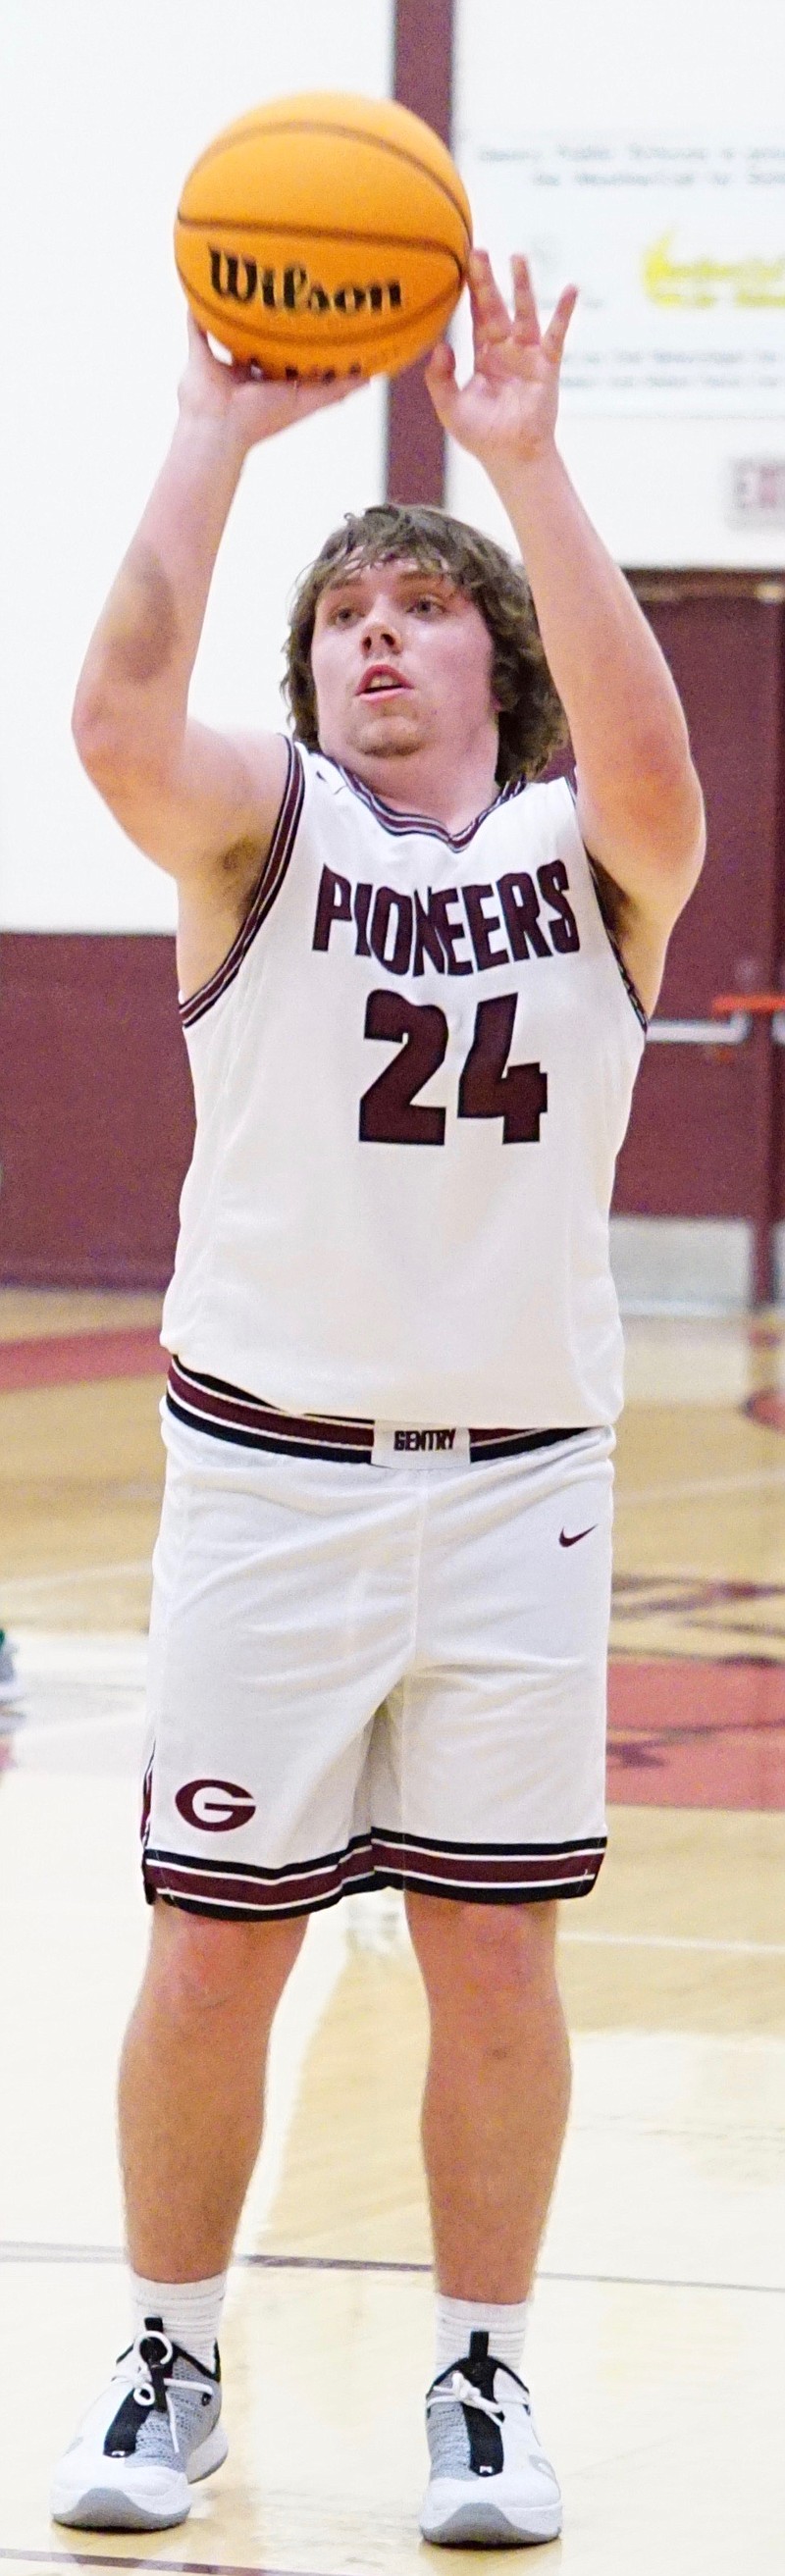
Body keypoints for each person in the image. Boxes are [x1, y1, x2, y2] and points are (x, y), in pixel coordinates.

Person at [51, 249, 705, 2547]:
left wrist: (519, 462)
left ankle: (486, 2375)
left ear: (491, 665)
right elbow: (118, 730)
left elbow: (658, 772)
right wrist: (219, 438)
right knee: (212, 1951)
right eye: (351, 616)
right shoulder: (261, 833)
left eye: (424, 609)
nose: (380, 633)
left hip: (518, 1490)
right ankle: (172, 2348)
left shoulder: (586, 858)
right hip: (269, 1481)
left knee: (493, 1951)